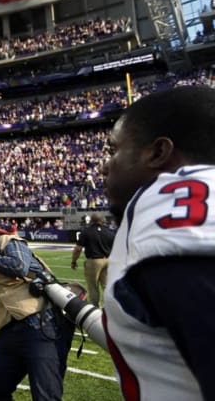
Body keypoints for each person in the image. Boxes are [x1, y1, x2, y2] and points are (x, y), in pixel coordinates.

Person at [102, 85, 215, 400]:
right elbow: (156, 341)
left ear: (157, 152)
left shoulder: (180, 205)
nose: (105, 165)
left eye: (114, 150)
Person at [0, 228, 75, 401]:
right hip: (8, 330)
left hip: (40, 323)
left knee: (46, 396)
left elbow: (19, 265)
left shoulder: (7, 241)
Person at [70, 213, 115, 306]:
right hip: (108, 260)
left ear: (91, 221)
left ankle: (95, 308)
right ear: (102, 220)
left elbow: (78, 249)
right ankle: (111, 307)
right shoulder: (110, 231)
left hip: (94, 261)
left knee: (93, 287)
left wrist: (74, 261)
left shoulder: (86, 231)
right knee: (107, 286)